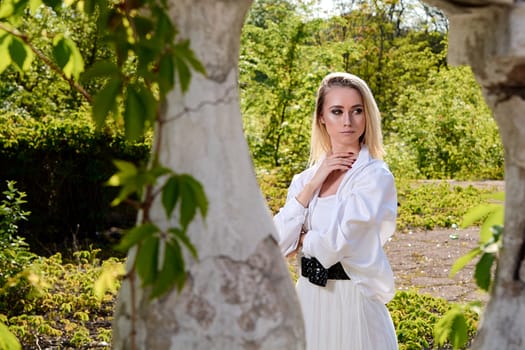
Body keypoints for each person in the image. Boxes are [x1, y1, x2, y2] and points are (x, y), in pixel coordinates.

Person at [273, 72, 398, 350]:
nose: (347, 121)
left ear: (367, 117)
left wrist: (304, 239)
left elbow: (337, 244)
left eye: (356, 111)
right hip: (307, 301)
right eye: (337, 111)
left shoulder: (375, 177)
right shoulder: (304, 180)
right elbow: (277, 242)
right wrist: (314, 183)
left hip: (352, 301)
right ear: (321, 118)